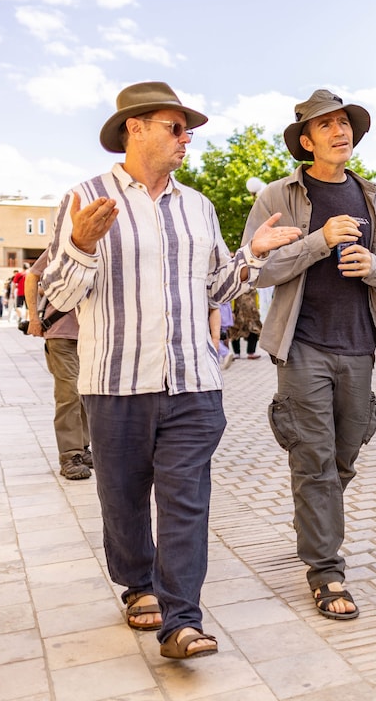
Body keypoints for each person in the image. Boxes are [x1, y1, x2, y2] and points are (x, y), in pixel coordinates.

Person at [42, 81, 302, 659]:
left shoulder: (198, 207)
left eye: (188, 130)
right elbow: (58, 294)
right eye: (175, 127)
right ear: (134, 129)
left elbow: (217, 288)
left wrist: (252, 256)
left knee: (187, 501)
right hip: (116, 385)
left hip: (193, 384)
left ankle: (182, 620)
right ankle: (138, 584)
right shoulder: (85, 197)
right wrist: (82, 244)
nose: (187, 139)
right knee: (124, 498)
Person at [241, 88, 376, 621]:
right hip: (303, 346)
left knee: (344, 453)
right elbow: (256, 270)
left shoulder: (371, 195)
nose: (340, 131)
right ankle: (326, 569)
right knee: (313, 456)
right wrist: (318, 240)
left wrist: (374, 266)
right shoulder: (278, 196)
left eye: (345, 123)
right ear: (306, 139)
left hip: (359, 345)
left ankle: (314, 520)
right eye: (327, 125)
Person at [26, 249, 92, 480]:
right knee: (70, 393)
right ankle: (69, 455)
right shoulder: (60, 247)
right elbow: (32, 276)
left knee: (88, 392)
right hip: (61, 334)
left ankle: (83, 447)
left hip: (92, 335)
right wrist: (34, 317)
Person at [229, 289, 262, 360]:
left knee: (254, 331)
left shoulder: (253, 288)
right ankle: (236, 353)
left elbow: (256, 298)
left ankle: (251, 352)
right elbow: (232, 298)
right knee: (235, 332)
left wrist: (257, 308)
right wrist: (231, 310)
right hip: (238, 313)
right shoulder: (237, 287)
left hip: (252, 314)